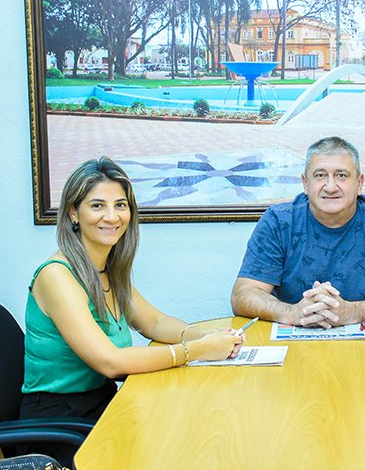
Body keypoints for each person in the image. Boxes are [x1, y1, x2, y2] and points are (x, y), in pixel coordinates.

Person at [21, 157, 244, 446]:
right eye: (97, 205)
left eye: (120, 205)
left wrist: (205, 335)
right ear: (73, 213)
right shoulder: (57, 276)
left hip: (102, 404)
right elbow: (110, 362)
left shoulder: (107, 270)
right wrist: (198, 350)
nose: (112, 217)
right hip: (58, 425)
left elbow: (155, 323)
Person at [231, 136, 365, 328]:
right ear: (305, 183)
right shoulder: (278, 221)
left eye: (341, 175)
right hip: (296, 339)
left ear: (359, 183)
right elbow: (243, 294)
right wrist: (293, 313)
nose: (331, 187)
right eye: (320, 176)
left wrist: (352, 312)